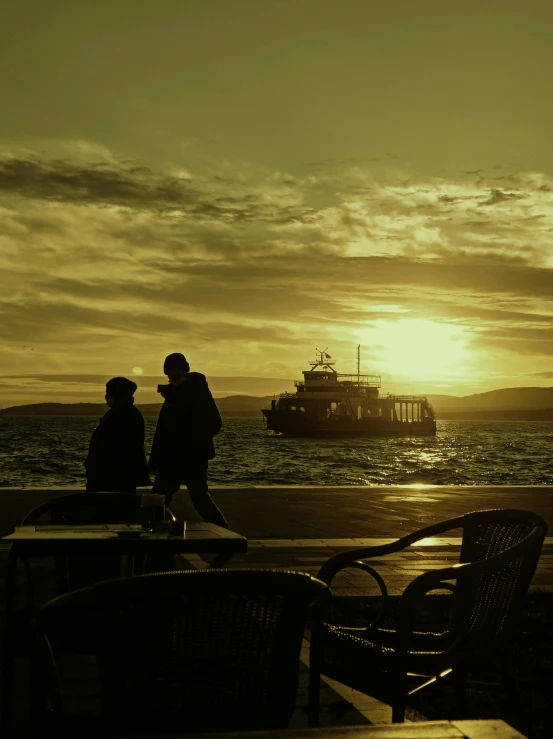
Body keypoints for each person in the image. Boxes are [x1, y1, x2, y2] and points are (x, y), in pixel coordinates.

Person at [149, 352, 229, 528]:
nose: (172, 377)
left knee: (198, 499)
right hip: (172, 457)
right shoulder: (172, 396)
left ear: (184, 371)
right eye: (169, 373)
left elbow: (215, 422)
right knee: (159, 499)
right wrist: (156, 460)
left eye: (175, 373)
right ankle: (154, 539)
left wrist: (194, 443)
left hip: (191, 457)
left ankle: (226, 537)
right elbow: (163, 432)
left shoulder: (197, 393)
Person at [85, 376, 150, 493]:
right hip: (110, 475)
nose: (106, 397)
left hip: (115, 476)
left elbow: (118, 447)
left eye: (109, 393)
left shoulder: (126, 414)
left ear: (118, 395)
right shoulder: (116, 413)